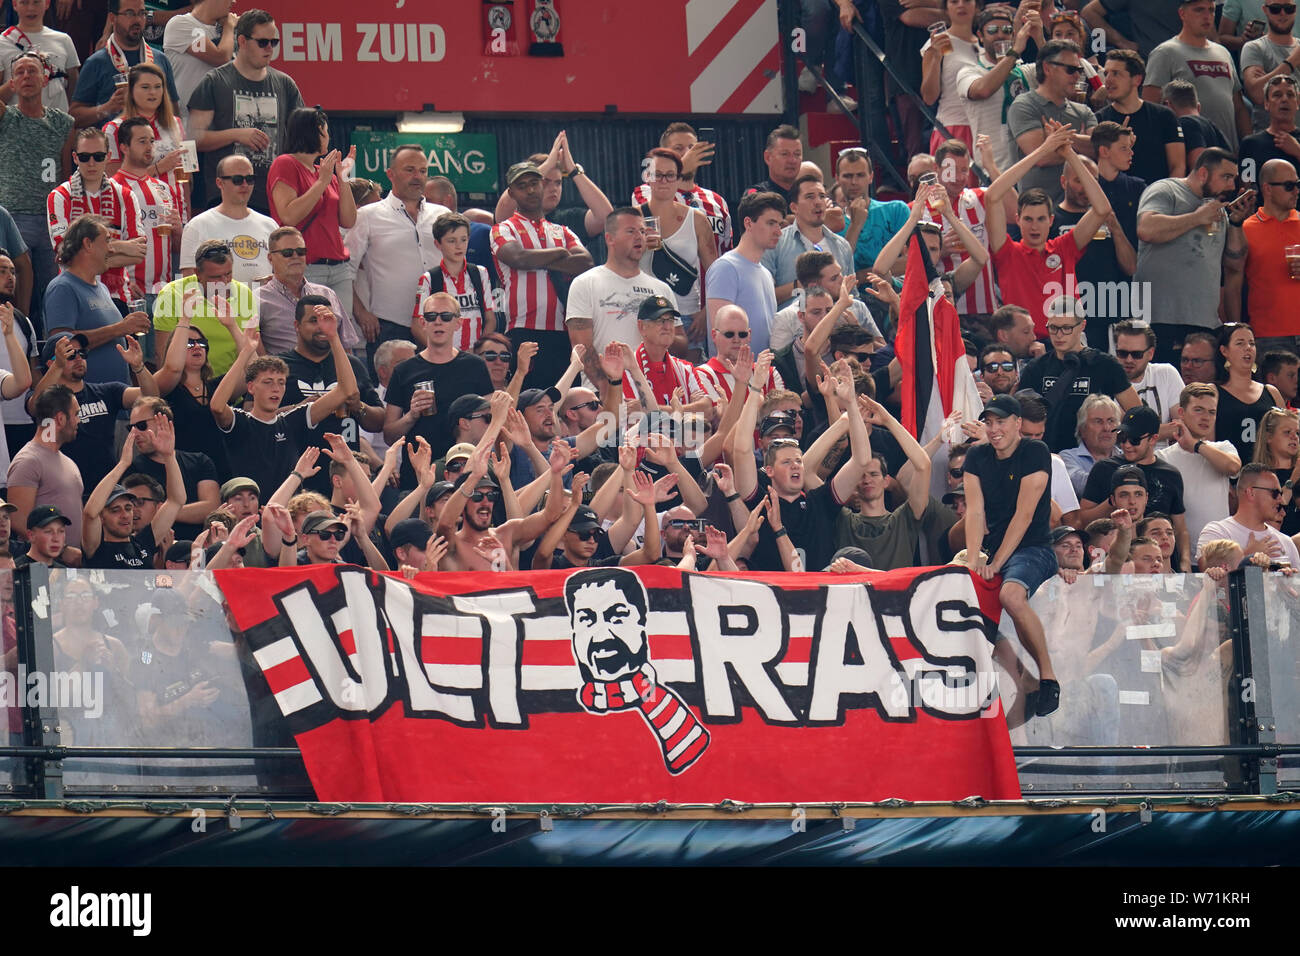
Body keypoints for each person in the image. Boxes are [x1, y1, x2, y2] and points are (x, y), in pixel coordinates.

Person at [961, 393, 1060, 714]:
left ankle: (1048, 679)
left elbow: (1025, 515)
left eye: (1001, 421)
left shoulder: (1035, 451)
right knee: (965, 606)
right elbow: (974, 513)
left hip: (1034, 548)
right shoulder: (976, 457)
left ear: (1018, 424)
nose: (993, 429)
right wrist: (974, 558)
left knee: (1012, 596)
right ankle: (1022, 679)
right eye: (988, 422)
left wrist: (995, 562)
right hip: (994, 552)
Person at [732, 354, 870, 573]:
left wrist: (851, 404)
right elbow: (740, 449)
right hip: (772, 600)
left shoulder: (820, 501)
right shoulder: (760, 503)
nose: (795, 465)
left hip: (821, 600)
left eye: (798, 460)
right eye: (786, 462)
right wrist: (755, 388)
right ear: (769, 470)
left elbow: (862, 461)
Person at [210, 311, 357, 499]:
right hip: (246, 513)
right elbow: (217, 406)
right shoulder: (240, 420)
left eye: (281, 382)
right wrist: (245, 353)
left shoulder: (292, 420)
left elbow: (346, 390)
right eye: (268, 382)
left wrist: (334, 338)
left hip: (287, 516)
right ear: (251, 387)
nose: (276, 388)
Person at [986, 123, 1112, 338]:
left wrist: (1069, 154)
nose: (1034, 226)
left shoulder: (1065, 247)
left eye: (1041, 219)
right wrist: (1044, 149)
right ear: (1018, 220)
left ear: (1051, 220)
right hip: (1026, 345)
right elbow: (992, 196)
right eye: (1028, 219)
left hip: (1070, 342)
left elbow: (1102, 209)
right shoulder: (1007, 252)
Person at [1136, 148, 1252, 364]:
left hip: (1204, 322)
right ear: (1203, 174)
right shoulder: (1166, 189)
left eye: (1233, 179)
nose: (1231, 186)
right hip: (1160, 319)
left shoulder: (1217, 208)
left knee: (1202, 393)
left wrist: (1236, 222)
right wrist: (1196, 218)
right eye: (1226, 177)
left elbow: (1234, 263)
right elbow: (1146, 229)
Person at [186, 9, 305, 214]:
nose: (269, 48)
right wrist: (237, 134)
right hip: (225, 197)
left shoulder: (285, 84)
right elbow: (193, 138)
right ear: (241, 41)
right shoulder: (215, 81)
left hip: (273, 196)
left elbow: (302, 140)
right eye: (262, 42)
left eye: (274, 42)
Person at [491, 161, 593, 389]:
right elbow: (518, 259)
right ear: (511, 192)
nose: (530, 190)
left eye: (535, 183)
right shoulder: (503, 228)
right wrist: (559, 253)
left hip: (564, 331)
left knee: (567, 399)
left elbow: (586, 263)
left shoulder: (561, 230)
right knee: (528, 400)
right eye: (522, 185)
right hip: (522, 329)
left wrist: (536, 260)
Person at [346, 143, 449, 358]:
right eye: (409, 170)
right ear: (390, 174)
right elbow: (345, 271)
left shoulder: (442, 216)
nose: (417, 177)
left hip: (440, 323)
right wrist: (361, 312)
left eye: (422, 171)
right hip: (389, 326)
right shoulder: (367, 216)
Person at [276, 293, 384, 495]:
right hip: (295, 472)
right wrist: (302, 410)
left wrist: (358, 406)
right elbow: (255, 416)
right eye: (313, 321)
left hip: (345, 476)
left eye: (328, 320)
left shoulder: (352, 366)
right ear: (296, 325)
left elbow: (379, 422)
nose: (322, 327)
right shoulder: (280, 366)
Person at [383, 291, 495, 484]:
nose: (438, 322)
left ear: (458, 323)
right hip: (418, 475)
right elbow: (388, 434)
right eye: (431, 316)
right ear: (423, 322)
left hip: (465, 471)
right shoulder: (404, 370)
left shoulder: (475, 366)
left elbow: (491, 422)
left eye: (446, 316)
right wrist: (411, 415)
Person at [0, 50, 75, 334]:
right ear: (11, 82)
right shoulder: (6, 117)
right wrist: (10, 85)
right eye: (19, 72)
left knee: (49, 291)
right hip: (12, 216)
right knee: (13, 292)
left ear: (46, 79)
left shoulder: (63, 122)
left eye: (33, 71)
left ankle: (48, 351)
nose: (26, 77)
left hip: (50, 218)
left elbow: (66, 173)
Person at [27, 328, 152, 488]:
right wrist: (57, 366)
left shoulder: (107, 391)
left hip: (109, 491)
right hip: (64, 488)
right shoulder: (46, 400)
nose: (79, 358)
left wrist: (138, 367)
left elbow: (151, 396)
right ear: (52, 363)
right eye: (71, 355)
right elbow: (36, 406)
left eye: (82, 353)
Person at [267, 106, 358, 324]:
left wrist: (342, 177)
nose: (329, 137)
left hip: (338, 265)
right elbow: (288, 216)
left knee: (340, 333)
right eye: (326, 131)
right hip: (307, 265)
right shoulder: (286, 163)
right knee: (311, 331)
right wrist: (321, 182)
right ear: (316, 131)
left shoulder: (324, 172)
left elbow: (348, 220)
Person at [565, 208, 674, 386]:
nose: (639, 236)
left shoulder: (661, 289)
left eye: (643, 231)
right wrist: (608, 392)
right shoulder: (585, 283)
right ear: (609, 238)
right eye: (631, 231)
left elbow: (681, 343)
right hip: (601, 396)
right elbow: (582, 349)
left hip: (654, 395)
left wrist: (661, 333)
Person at [1017, 295, 1138, 452]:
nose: (1059, 335)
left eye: (1066, 328)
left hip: (1091, 456)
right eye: (1053, 328)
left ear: (1082, 326)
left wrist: (1114, 439)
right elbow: (1020, 417)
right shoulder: (1036, 368)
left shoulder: (1104, 364)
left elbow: (1136, 412)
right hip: (1046, 451)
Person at [1077, 404, 1192, 568]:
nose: (1126, 445)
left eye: (1135, 440)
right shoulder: (1104, 469)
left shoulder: (1170, 474)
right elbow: (1084, 520)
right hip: (1115, 563)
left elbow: (1180, 529)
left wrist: (1185, 563)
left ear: (1153, 439)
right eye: (1122, 437)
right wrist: (1114, 502)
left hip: (1157, 566)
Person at [46, 127, 144, 310]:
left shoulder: (126, 196)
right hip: (72, 293)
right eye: (84, 157)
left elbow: (138, 253)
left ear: (108, 156)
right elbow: (64, 252)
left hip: (117, 296)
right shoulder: (58, 196)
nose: (91, 163)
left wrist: (84, 255)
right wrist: (120, 246)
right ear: (75, 158)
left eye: (98, 156)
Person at [45, 215, 149, 383]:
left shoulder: (102, 289)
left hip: (117, 399)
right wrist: (120, 328)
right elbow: (62, 346)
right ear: (88, 244)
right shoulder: (62, 288)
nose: (112, 249)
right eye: (107, 241)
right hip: (88, 404)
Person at [1142, 0, 1252, 153]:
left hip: (1227, 152)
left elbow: (1239, 108)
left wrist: (1248, 146)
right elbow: (1150, 108)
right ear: (1182, 13)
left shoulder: (1223, 53)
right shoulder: (1165, 53)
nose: (1207, 16)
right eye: (1199, 10)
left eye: (1211, 10)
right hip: (1187, 152)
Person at [81, 413, 184, 569]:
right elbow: (90, 512)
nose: (125, 515)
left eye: (128, 508)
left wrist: (169, 456)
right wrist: (123, 464)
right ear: (102, 517)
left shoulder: (143, 543)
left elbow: (176, 501)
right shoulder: (95, 547)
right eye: (115, 510)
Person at [638, 148, 716, 347]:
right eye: (658, 175)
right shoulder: (632, 218)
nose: (664, 181)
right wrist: (639, 247)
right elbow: (617, 264)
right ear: (647, 177)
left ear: (678, 179)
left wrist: (706, 312)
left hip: (688, 314)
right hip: (643, 314)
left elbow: (716, 272)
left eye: (670, 175)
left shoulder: (696, 219)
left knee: (688, 376)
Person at [1005, 38, 1098, 204]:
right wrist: (1080, 145)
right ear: (1047, 68)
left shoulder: (1083, 110)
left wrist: (1062, 140)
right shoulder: (1024, 106)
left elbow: (1099, 150)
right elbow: (1042, 157)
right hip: (1040, 216)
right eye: (1070, 69)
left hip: (1083, 212)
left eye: (1079, 69)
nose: (1077, 75)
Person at [152, 238, 256, 374]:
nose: (224, 282)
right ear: (197, 273)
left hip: (234, 384)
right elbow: (163, 356)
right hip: (186, 386)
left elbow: (253, 349)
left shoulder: (243, 292)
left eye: (228, 274)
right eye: (216, 277)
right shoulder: (171, 293)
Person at [69, 0, 180, 127]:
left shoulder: (160, 59)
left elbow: (174, 112)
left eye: (142, 13)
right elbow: (74, 117)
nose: (137, 20)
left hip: (154, 143)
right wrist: (107, 108)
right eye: (129, 13)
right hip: (111, 143)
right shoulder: (96, 62)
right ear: (112, 18)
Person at [103, 62, 187, 226]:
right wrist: (159, 168)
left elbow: (186, 178)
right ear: (131, 91)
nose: (153, 92)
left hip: (175, 215)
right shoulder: (113, 129)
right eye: (145, 87)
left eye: (158, 86)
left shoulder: (176, 124)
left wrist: (186, 218)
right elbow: (113, 182)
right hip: (136, 217)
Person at [630, 122, 732, 256]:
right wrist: (679, 169)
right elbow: (653, 229)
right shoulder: (645, 191)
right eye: (678, 148)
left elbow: (725, 252)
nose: (687, 153)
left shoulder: (717, 201)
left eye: (692, 148)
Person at [955, 5, 1035, 173]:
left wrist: (1040, 37)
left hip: (1030, 170)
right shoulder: (969, 71)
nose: (1000, 35)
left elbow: (1057, 73)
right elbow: (983, 90)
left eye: (1006, 30)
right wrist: (1014, 52)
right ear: (980, 37)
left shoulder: (1024, 70)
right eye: (992, 30)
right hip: (993, 171)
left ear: (1013, 35)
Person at [111, 115, 179, 305]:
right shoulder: (111, 188)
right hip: (131, 292)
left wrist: (178, 231)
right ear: (124, 147)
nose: (149, 147)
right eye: (142, 142)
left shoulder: (164, 188)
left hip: (164, 292)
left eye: (151, 141)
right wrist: (120, 280)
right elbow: (105, 242)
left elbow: (175, 246)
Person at [706, 191, 783, 358]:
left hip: (762, 375)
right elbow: (721, 338)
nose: (779, 232)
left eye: (780, 224)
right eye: (771, 223)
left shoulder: (766, 274)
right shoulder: (725, 268)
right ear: (748, 223)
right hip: (733, 378)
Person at [180, 154, 277, 286]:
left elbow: (281, 271)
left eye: (250, 179)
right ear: (219, 183)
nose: (245, 185)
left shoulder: (270, 225)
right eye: (237, 179)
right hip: (215, 304)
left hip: (261, 304)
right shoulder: (198, 225)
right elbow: (189, 281)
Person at [410, 212, 500, 354]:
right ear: (438, 244)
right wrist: (440, 351)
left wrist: (480, 351)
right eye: (451, 241)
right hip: (443, 357)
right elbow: (417, 325)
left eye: (463, 240)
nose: (459, 246)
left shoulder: (481, 273)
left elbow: (490, 319)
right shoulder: (429, 279)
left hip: (475, 356)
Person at [1233, 157, 1300, 347]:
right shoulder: (1246, 229)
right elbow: (1233, 281)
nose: (1296, 191)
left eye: (1297, 184)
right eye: (1289, 186)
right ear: (1267, 189)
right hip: (1266, 335)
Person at [762, 172, 854, 309]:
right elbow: (763, 297)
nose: (818, 202)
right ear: (794, 207)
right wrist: (802, 285)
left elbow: (853, 294)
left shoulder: (842, 245)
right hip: (794, 325)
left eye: (822, 196)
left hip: (839, 323)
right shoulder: (775, 243)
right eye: (810, 197)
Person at [6, 384, 83, 546]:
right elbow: (19, 522)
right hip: (42, 568)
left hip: (72, 567)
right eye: (76, 414)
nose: (79, 420)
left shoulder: (69, 462)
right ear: (60, 419)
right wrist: (61, 550)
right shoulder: (28, 461)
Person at [1096, 49, 1186, 183]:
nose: (1108, 80)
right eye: (1106, 73)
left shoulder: (1164, 116)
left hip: (1158, 198)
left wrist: (1167, 198)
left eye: (1116, 73)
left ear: (1137, 79)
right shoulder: (1100, 119)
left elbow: (1177, 166)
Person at [1197, 461, 1300, 565]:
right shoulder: (1217, 532)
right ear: (1251, 493)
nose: (1280, 499)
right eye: (1275, 493)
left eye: (1280, 493)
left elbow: (1296, 580)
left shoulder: (1286, 542)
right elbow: (1206, 571)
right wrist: (1248, 555)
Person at [834, 147, 911, 286]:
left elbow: (912, 260)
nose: (854, 182)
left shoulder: (896, 210)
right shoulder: (833, 223)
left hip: (897, 293)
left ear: (871, 177)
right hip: (855, 301)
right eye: (847, 176)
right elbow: (839, 275)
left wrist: (859, 276)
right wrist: (855, 226)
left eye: (860, 175)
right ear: (837, 179)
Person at [918, 0, 985, 153]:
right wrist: (935, 57)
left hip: (984, 128)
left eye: (967, 0)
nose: (961, 5)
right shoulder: (936, 43)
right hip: (953, 127)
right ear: (946, 9)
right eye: (954, 1)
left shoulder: (984, 45)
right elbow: (928, 97)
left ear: (977, 7)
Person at [1214, 322, 1284, 462]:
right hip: (1228, 474)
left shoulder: (1271, 392)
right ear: (1224, 351)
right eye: (1240, 343)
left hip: (1267, 475)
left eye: (1252, 343)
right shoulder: (1214, 392)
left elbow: (1285, 434)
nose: (1248, 348)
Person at [162, 0, 235, 125]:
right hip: (186, 125)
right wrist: (229, 27)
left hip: (220, 123)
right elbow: (221, 57)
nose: (233, 1)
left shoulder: (226, 30)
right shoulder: (180, 23)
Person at [0, 0, 78, 113]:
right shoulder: (2, 42)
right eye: (24, 3)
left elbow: (74, 89)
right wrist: (20, 77)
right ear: (15, 5)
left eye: (36, 2)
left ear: (47, 4)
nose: (31, 8)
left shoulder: (64, 40)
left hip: (58, 125)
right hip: (18, 125)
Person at [1113, 320, 1185, 433]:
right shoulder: (1106, 379)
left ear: (1150, 353)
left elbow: (1184, 427)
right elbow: (1116, 435)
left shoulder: (1166, 373)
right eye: (1122, 353)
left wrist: (1137, 431)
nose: (1128, 360)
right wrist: (1167, 430)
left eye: (1137, 354)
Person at [0, 251, 38, 459]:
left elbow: (34, 372)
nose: (10, 277)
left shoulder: (24, 321)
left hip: (23, 422)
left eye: (13, 272)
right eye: (2, 271)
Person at [1240, 0, 1300, 130]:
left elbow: (1262, 91)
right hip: (1268, 141)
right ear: (1265, 10)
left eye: (1289, 8)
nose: (1283, 13)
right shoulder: (1255, 47)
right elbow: (1257, 94)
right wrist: (1293, 61)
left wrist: (1270, 81)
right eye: (1276, 9)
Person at [1162, 79, 1231, 169]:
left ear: (1167, 105)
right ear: (1198, 107)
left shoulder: (1186, 124)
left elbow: (1199, 165)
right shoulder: (1211, 126)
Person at [1238, 74, 1300, 173]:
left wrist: (1297, 151)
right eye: (1277, 95)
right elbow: (1246, 185)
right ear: (1266, 104)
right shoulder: (1250, 145)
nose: (1284, 99)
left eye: (1290, 95)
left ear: (1297, 103)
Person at [1253, 406, 1300, 533]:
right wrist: (1292, 481)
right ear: (1269, 437)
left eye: (1297, 433)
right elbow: (1270, 515)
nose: (1294, 437)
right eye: (1287, 432)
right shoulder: (1258, 476)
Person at [742, 124, 803, 202]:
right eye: (785, 154)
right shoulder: (757, 194)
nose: (792, 160)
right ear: (768, 157)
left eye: (797, 154)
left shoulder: (808, 195)